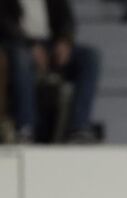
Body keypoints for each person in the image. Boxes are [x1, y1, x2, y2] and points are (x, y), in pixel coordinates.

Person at [0, 0, 101, 143]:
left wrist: (64, 41)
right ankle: (25, 127)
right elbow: (4, 24)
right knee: (21, 58)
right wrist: (30, 45)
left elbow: (66, 19)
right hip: (15, 44)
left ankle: (79, 128)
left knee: (89, 57)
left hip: (49, 44)